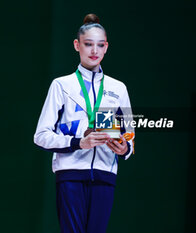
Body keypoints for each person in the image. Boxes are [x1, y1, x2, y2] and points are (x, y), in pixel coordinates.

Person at [33, 13, 135, 233]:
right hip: (70, 174)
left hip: (105, 176)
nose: (94, 51)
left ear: (106, 47)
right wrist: (79, 143)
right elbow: (41, 135)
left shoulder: (118, 89)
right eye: (88, 44)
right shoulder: (61, 85)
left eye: (100, 45)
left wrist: (125, 147)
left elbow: (129, 134)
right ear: (76, 45)